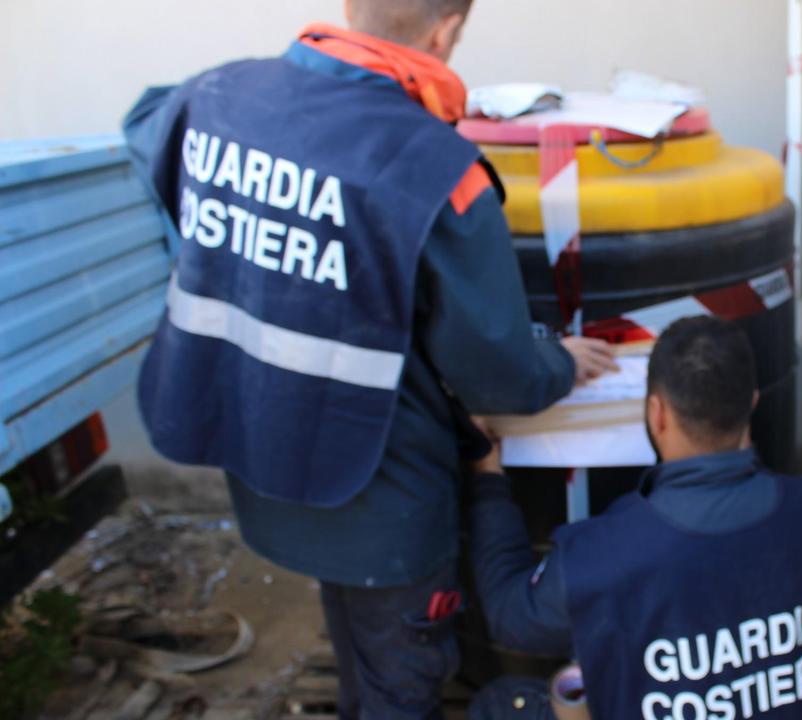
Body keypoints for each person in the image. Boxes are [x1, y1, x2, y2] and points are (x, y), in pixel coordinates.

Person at [121, 1, 617, 717]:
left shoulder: (214, 97)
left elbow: (143, 131)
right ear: (447, 29)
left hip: (266, 464)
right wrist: (559, 362)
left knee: (357, 646)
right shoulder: (439, 172)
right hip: (381, 501)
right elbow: (497, 374)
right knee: (400, 680)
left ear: (351, 6)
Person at [468, 317, 802, 720]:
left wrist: (488, 478)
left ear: (657, 412)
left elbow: (510, 613)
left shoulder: (596, 559)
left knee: (500, 704)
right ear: (752, 402)